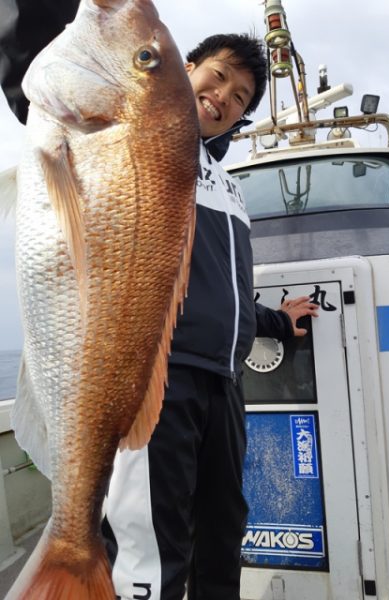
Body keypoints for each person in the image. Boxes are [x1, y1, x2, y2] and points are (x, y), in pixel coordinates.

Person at [1, 6, 319, 599]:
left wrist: (279, 320)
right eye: (217, 76)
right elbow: (36, 42)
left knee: (223, 537)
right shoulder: (128, 134)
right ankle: (78, 552)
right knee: (154, 550)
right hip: (156, 382)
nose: (224, 96)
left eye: (241, 96)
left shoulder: (224, 183)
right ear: (187, 70)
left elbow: (213, 290)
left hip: (223, 387)